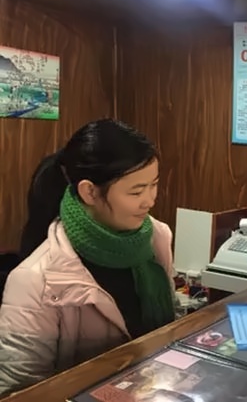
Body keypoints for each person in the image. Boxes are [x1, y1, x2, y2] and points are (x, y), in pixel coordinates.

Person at [0, 119, 176, 396]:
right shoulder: (33, 280)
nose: (150, 200)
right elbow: (21, 393)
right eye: (136, 191)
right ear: (90, 192)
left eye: (153, 185)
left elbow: (170, 327)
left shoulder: (156, 237)